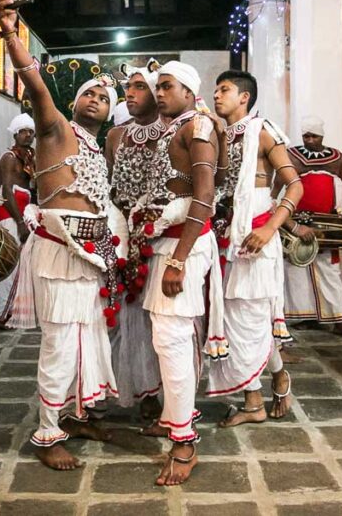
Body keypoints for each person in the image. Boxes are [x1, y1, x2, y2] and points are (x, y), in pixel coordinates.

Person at [0, 0, 121, 470]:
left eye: (104, 97)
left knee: (89, 339)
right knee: (60, 344)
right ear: (73, 101)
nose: (97, 99)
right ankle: (47, 434)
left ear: (110, 111)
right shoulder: (56, 130)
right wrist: (11, 32)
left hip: (91, 254)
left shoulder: (96, 146)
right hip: (58, 254)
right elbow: (34, 84)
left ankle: (77, 413)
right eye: (90, 92)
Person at [134, 61, 223, 486]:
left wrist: (179, 259)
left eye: (167, 86)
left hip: (184, 244)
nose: (160, 93)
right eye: (158, 86)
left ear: (189, 91)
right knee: (167, 338)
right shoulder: (175, 127)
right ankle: (174, 416)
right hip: (168, 240)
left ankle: (185, 441)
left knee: (169, 337)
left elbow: (204, 195)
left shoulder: (199, 126)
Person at [206, 70, 302, 425]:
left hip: (257, 236)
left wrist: (269, 229)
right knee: (234, 321)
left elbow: (295, 186)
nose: (217, 96)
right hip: (225, 237)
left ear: (244, 97)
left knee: (250, 320)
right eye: (215, 90)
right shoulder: (217, 136)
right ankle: (271, 382)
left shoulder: (261, 131)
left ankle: (254, 402)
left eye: (225, 90)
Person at [105, 66, 165, 422]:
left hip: (158, 232)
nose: (130, 92)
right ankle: (131, 385)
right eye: (128, 87)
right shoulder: (115, 135)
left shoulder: (173, 133)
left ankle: (156, 391)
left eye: (140, 86)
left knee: (154, 316)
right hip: (121, 233)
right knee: (124, 314)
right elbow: (111, 187)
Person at [282, 116, 342, 339]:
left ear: (322, 136)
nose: (309, 140)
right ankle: (303, 316)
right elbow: (281, 183)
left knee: (330, 270)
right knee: (297, 269)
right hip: (299, 220)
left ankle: (338, 319)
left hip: (329, 221)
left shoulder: (337, 157)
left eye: (313, 136)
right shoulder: (292, 155)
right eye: (306, 135)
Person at [0, 113, 36, 327]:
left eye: (31, 132)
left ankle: (14, 311)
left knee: (24, 265)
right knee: (9, 265)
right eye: (23, 131)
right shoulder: (9, 157)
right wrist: (20, 222)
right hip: (11, 215)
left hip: (24, 212)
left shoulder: (29, 157)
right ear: (15, 133)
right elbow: (6, 190)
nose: (28, 135)